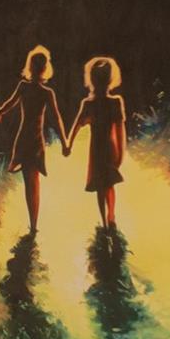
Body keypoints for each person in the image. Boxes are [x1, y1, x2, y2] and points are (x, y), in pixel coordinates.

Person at [0, 45, 67, 232]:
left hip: (30, 139)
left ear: (34, 68)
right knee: (32, 182)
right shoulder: (32, 89)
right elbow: (12, 102)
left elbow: (57, 117)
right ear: (43, 69)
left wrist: (2, 109)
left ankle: (33, 224)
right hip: (30, 140)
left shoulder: (41, 91)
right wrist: (2, 109)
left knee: (31, 182)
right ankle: (33, 224)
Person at [65, 55, 127, 229]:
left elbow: (77, 125)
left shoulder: (92, 104)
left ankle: (108, 218)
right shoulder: (112, 102)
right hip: (109, 148)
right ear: (110, 80)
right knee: (107, 184)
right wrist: (120, 154)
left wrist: (69, 144)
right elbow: (120, 132)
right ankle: (109, 217)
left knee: (102, 186)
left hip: (99, 149)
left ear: (91, 79)